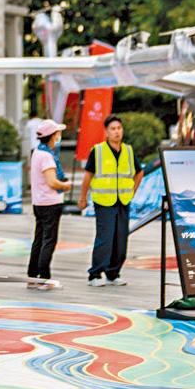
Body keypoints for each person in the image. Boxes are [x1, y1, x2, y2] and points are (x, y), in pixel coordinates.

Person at [78, 115, 142, 287]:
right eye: (113, 129)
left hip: (123, 201)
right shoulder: (98, 151)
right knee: (105, 238)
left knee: (121, 239)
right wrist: (82, 198)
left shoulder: (128, 150)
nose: (117, 132)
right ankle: (95, 275)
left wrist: (132, 191)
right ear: (106, 132)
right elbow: (88, 176)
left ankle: (113, 274)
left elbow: (139, 172)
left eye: (119, 128)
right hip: (104, 202)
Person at [28, 119, 71, 290]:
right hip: (50, 203)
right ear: (53, 136)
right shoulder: (47, 157)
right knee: (49, 241)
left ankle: (32, 277)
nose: (59, 135)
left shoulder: (38, 153)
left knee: (39, 239)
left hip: (38, 202)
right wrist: (66, 186)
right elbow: (52, 182)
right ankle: (44, 278)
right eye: (58, 133)